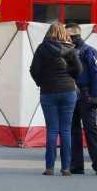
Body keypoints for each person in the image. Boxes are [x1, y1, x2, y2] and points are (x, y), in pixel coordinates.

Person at [30, 22, 83, 176]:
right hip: (68, 91)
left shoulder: (42, 48)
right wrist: (69, 76)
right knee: (66, 130)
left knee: (52, 130)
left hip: (48, 91)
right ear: (64, 33)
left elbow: (34, 70)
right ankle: (66, 168)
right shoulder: (70, 49)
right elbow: (79, 70)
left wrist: (41, 82)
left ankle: (49, 168)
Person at [65, 24, 97, 176]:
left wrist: (95, 95)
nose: (66, 39)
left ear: (76, 37)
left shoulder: (89, 51)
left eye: (68, 37)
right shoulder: (67, 52)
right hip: (71, 93)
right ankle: (76, 165)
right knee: (73, 130)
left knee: (90, 130)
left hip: (85, 93)